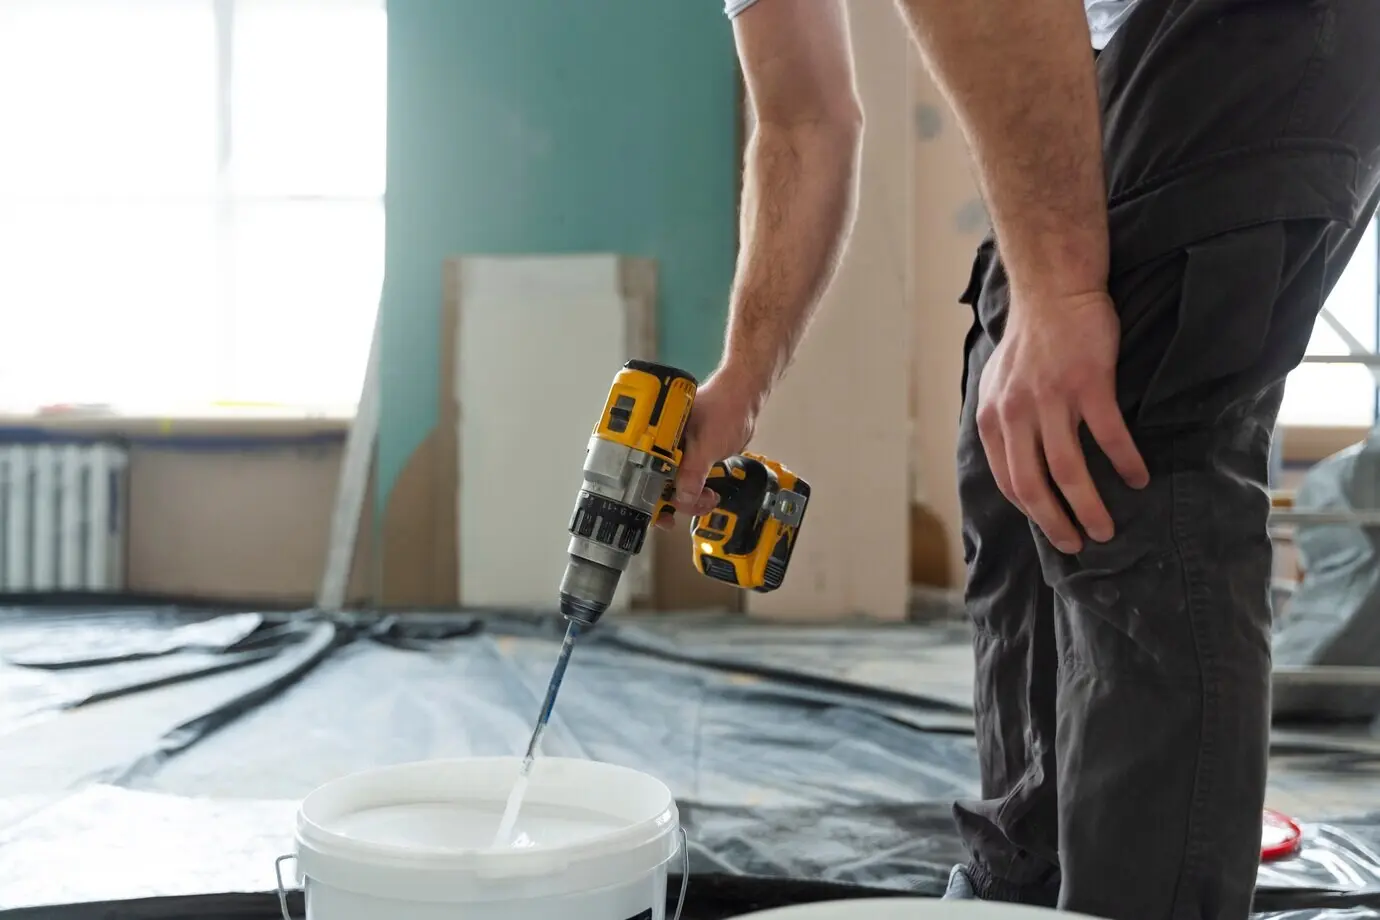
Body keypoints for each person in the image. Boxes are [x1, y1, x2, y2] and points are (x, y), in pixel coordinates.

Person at [659, 1, 1380, 918]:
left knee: (1118, 448)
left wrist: (1067, 289)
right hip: (1121, 37)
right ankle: (1021, 891)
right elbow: (805, 121)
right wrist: (743, 383)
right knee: (1014, 446)